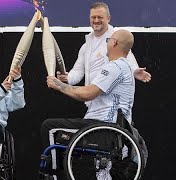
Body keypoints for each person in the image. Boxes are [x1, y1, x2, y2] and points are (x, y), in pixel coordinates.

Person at [42, 29, 136, 179]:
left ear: (114, 43)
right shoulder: (123, 67)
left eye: (108, 40)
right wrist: (61, 84)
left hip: (103, 128)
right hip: (109, 127)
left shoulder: (115, 67)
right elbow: (88, 89)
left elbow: (87, 94)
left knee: (49, 127)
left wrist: (59, 86)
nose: (106, 43)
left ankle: (53, 175)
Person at [57, 2, 151, 90]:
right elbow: (78, 71)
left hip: (112, 101)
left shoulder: (115, 39)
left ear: (108, 18)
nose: (96, 20)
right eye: (93, 17)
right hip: (92, 102)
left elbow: (127, 57)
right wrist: (67, 78)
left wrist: (134, 71)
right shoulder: (85, 47)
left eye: (100, 17)